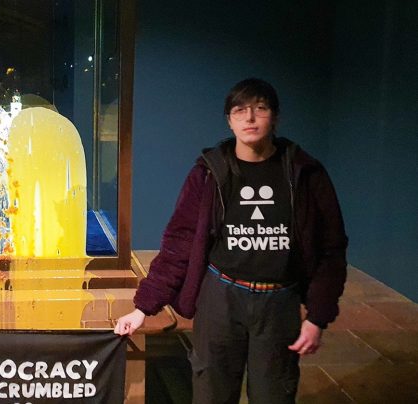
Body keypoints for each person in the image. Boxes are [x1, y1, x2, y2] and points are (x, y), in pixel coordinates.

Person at [114, 78, 347, 403]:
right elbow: (180, 241)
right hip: (220, 299)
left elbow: (330, 250)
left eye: (260, 109)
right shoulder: (210, 173)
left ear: (275, 117)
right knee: (211, 391)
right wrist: (144, 307)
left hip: (279, 302)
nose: (249, 118)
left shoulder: (305, 174)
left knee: (274, 393)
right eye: (240, 110)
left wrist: (318, 317)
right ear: (229, 120)